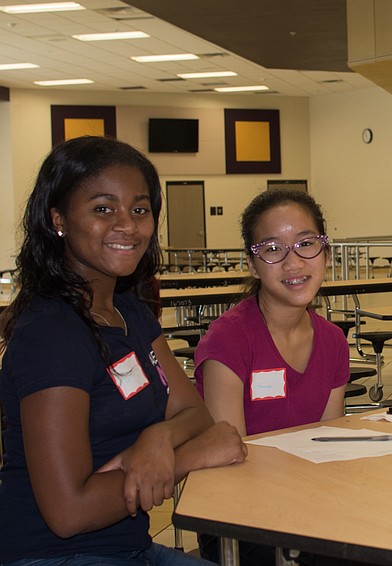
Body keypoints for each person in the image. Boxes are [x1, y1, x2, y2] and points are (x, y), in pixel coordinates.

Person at [0, 136, 247, 566]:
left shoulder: (128, 311)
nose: (127, 225)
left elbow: (196, 414)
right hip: (54, 556)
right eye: (102, 209)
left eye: (139, 209)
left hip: (128, 547)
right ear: (58, 219)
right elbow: (68, 513)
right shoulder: (51, 333)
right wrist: (186, 457)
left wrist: (157, 438)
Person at [193, 189, 349, 565]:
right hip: (242, 518)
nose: (294, 263)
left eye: (306, 244)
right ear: (253, 263)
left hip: (311, 506)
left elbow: (331, 445)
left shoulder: (332, 340)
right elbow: (230, 459)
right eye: (273, 249)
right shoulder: (229, 338)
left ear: (325, 252)